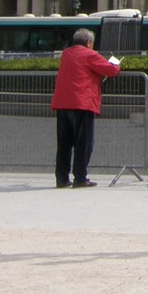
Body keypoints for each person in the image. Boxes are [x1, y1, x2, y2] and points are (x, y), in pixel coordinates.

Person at [50, 28, 121, 188]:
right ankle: (80, 177)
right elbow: (111, 70)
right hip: (82, 103)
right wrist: (115, 61)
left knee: (64, 144)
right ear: (89, 42)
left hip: (63, 103)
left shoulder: (66, 53)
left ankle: (61, 178)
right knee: (83, 143)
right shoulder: (90, 54)